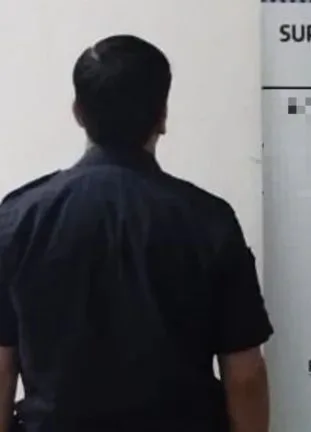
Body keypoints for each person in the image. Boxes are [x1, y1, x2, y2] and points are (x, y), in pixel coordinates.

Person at [0, 35, 273, 432]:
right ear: (162, 115)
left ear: (78, 113)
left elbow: (2, 366)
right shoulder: (208, 220)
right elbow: (245, 374)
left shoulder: (18, 218)